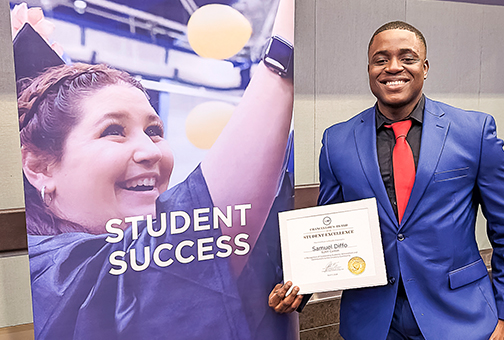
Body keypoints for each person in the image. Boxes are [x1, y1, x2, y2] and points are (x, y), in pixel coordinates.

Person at [17, 0, 295, 338]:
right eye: (113, 131)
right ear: (39, 167)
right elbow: (188, 239)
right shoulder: (41, 272)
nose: (150, 151)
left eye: (154, 131)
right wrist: (284, 56)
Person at [269, 21, 504, 340]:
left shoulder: (473, 132)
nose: (393, 67)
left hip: (459, 316)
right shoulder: (337, 141)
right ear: (369, 69)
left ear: (425, 66)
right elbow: (330, 228)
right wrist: (299, 286)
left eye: (407, 57)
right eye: (381, 59)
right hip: (373, 320)